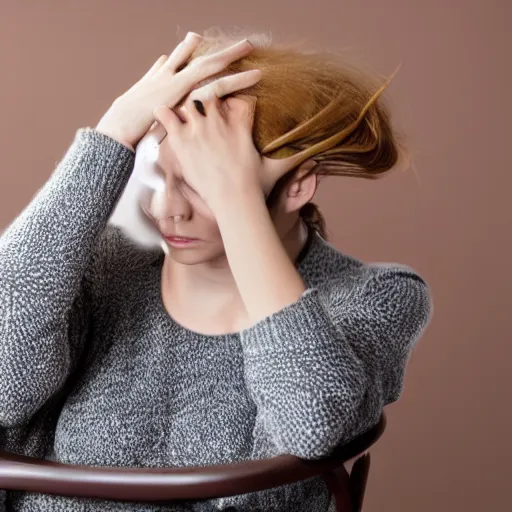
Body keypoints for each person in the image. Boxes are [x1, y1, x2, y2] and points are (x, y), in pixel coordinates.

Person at [0, 28, 433, 512]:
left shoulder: (377, 295)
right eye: (161, 176)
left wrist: (236, 197)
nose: (167, 209)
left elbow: (311, 425)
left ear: (297, 186)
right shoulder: (102, 265)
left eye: (200, 184)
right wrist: (109, 138)